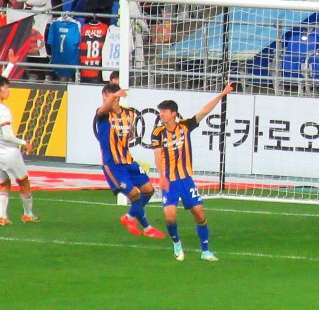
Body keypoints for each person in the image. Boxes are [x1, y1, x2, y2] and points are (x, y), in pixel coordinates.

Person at [152, 83, 234, 262]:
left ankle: (205, 251)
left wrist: (222, 94)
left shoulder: (185, 126)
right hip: (169, 181)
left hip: (186, 179)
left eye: (164, 111)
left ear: (173, 113)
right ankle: (176, 244)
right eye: (160, 112)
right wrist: (162, 177)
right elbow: (157, 157)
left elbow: (205, 111)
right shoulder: (157, 133)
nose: (161, 114)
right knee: (170, 215)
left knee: (199, 213)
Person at [94, 85, 165, 239]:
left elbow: (130, 132)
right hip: (112, 164)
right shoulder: (103, 115)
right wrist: (114, 96)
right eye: (105, 97)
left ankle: (130, 217)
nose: (105, 100)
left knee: (148, 190)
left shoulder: (130, 113)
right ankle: (147, 227)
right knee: (134, 194)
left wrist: (130, 134)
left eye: (106, 96)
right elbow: (102, 109)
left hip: (128, 160)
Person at [0, 72, 39, 226]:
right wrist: (24, 142)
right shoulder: (3, 111)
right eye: (5, 87)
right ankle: (28, 214)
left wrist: (10, 65)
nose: (9, 90)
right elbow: (7, 136)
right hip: (8, 152)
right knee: (24, 182)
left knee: (5, 184)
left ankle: (3, 217)